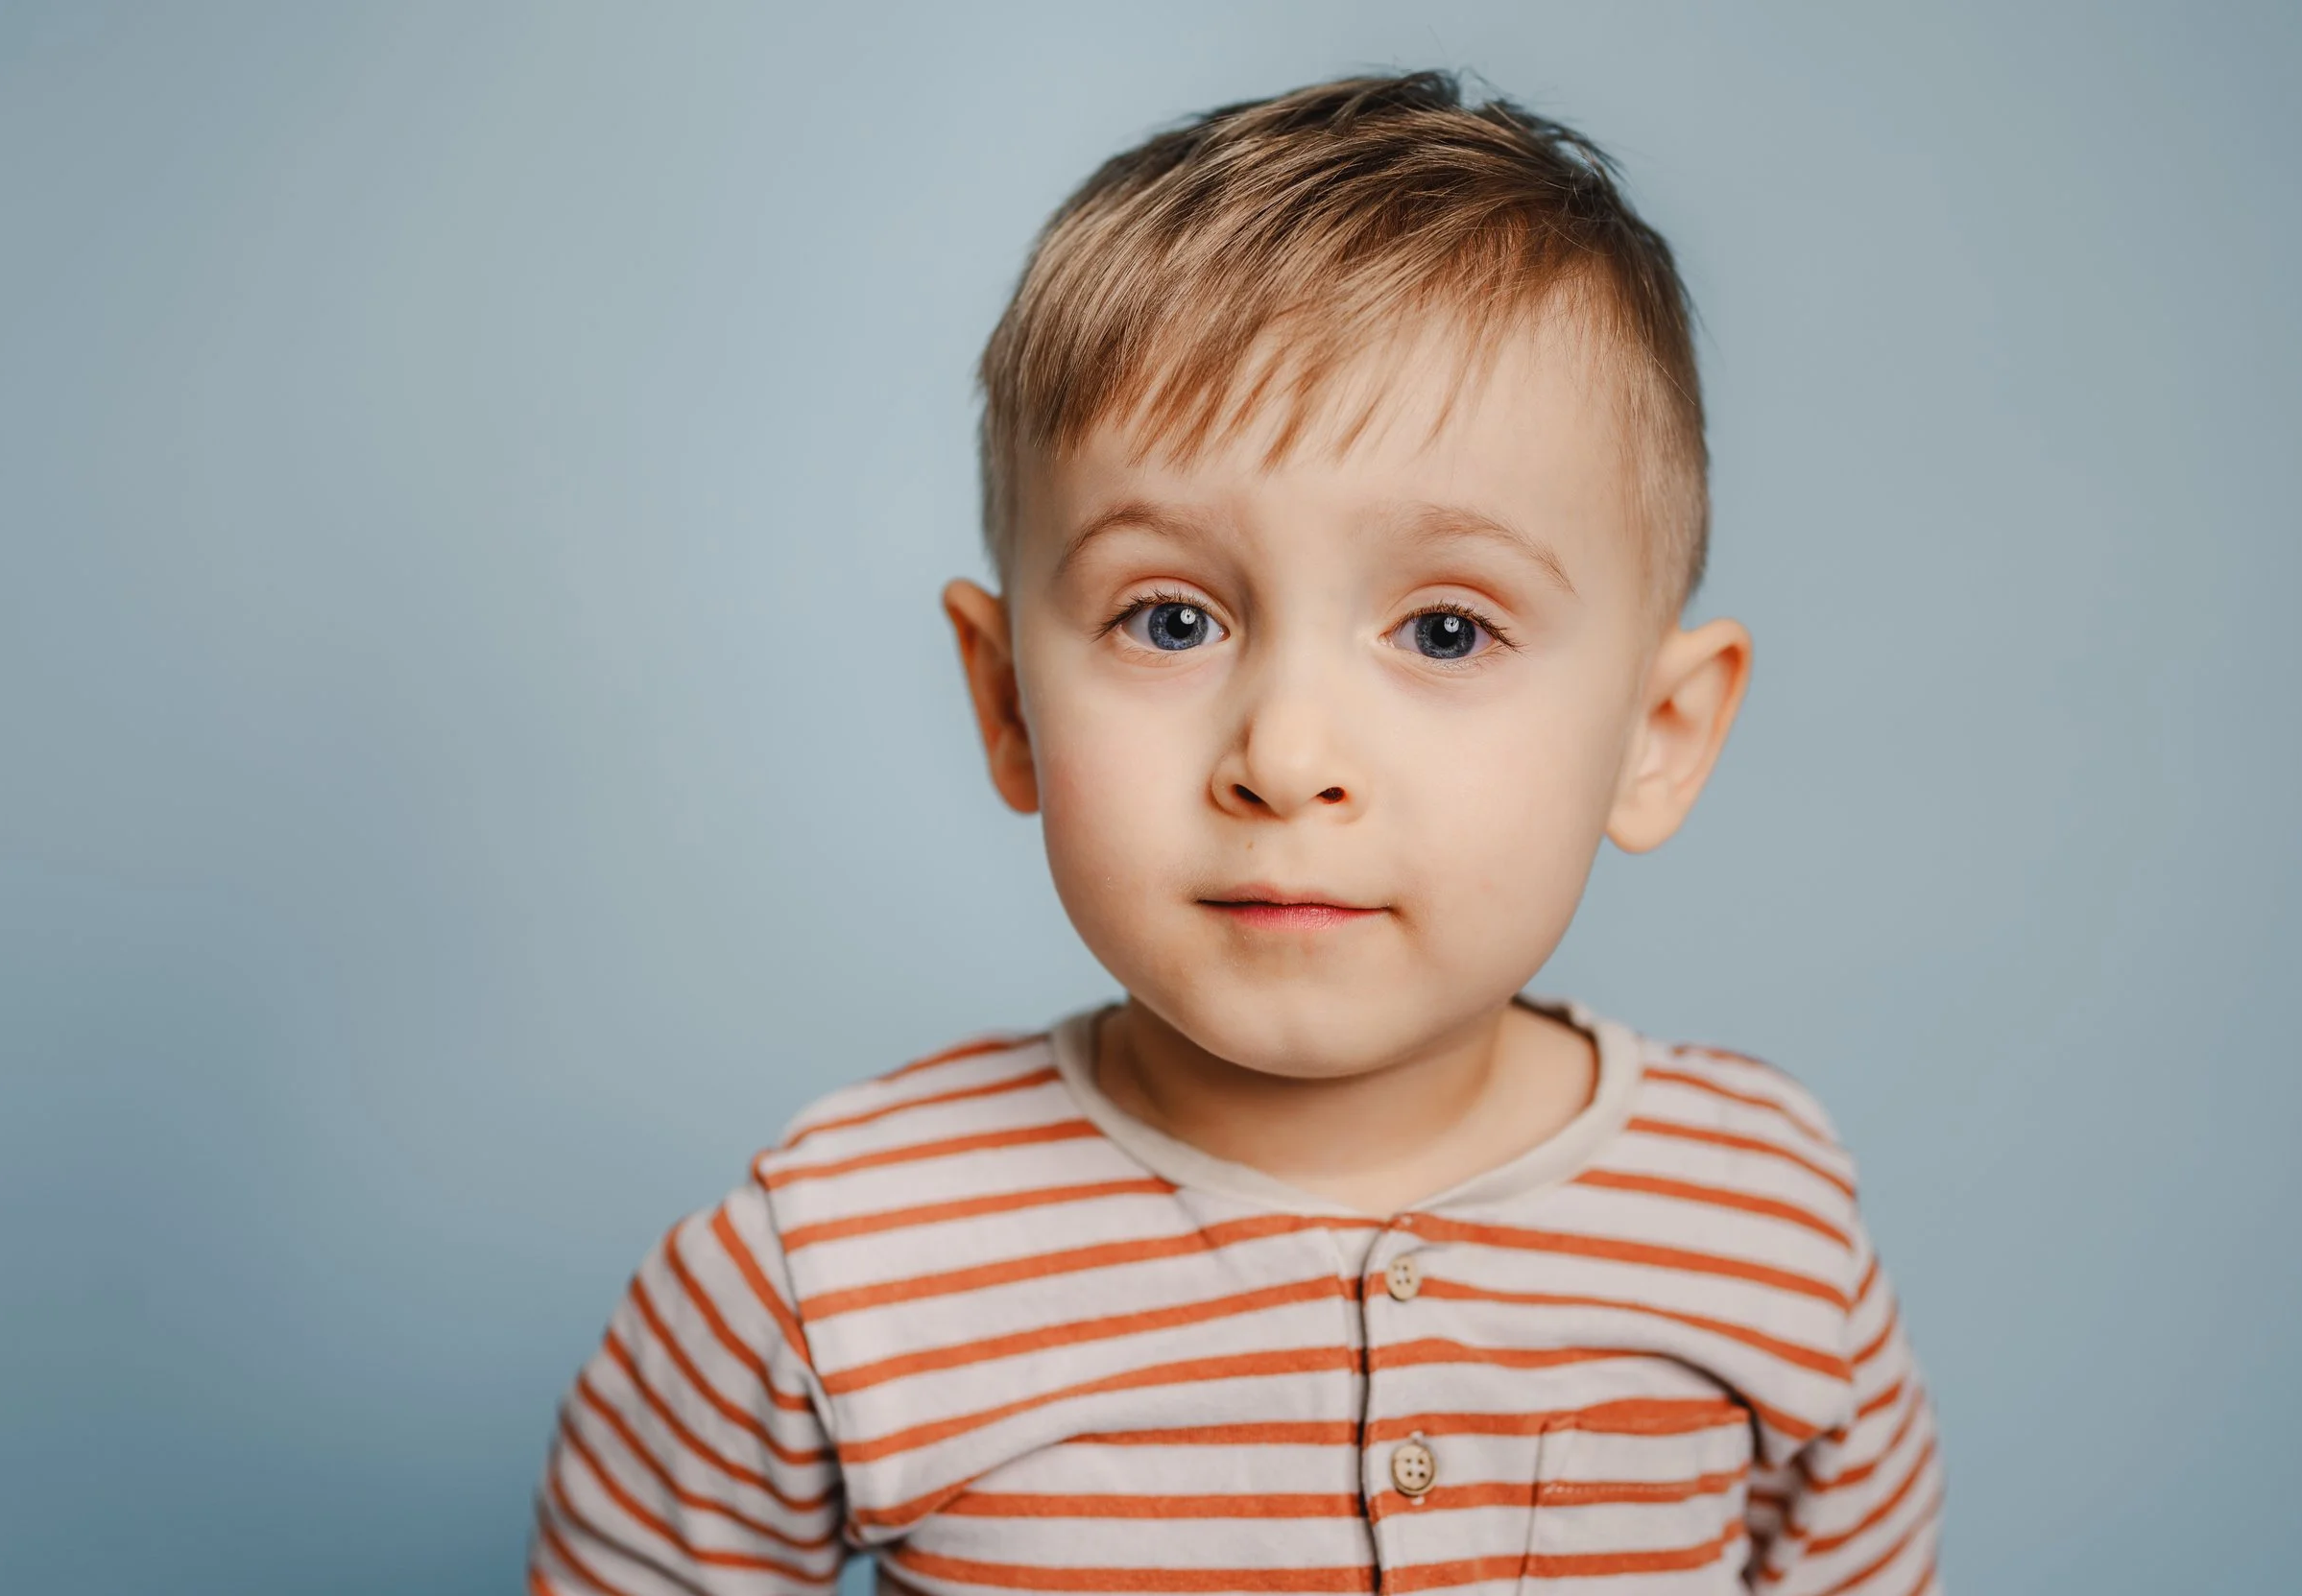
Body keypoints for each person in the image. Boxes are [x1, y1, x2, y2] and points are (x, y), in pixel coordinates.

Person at [528, 70, 1941, 1595]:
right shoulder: (826, 1268)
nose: (1285, 754)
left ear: (1654, 740)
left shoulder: (1760, 1213)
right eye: (1172, 616)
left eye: (1448, 628)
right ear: (1009, 702)